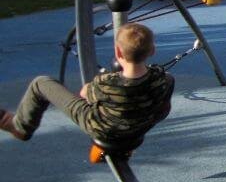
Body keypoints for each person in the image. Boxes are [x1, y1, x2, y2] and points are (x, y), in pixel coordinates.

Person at [0, 23, 174, 145]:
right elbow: (164, 94)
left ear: (118, 52)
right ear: (152, 50)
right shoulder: (162, 78)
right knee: (165, 90)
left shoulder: (106, 83)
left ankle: (21, 127)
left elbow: (84, 94)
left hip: (103, 129)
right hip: (142, 125)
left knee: (41, 83)